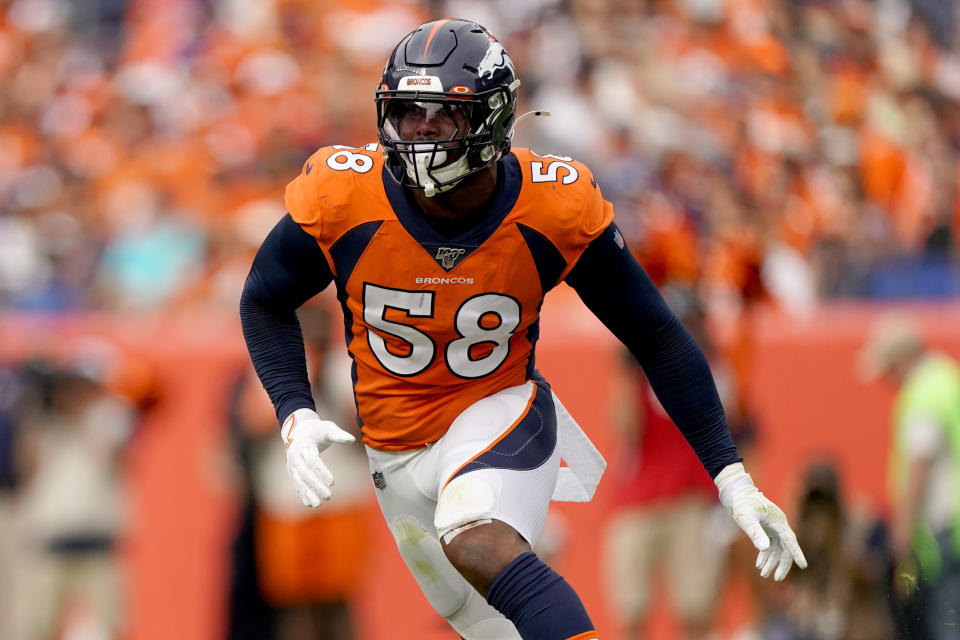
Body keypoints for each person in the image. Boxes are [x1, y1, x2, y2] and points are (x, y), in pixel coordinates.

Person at [239, 18, 806, 640]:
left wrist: (731, 476)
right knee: (488, 627)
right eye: (408, 113)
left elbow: (656, 334)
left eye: (442, 116)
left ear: (490, 120)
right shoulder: (344, 191)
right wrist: (293, 409)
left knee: (477, 540)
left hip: (497, 409)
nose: (419, 132)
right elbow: (264, 299)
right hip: (392, 447)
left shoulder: (552, 205)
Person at [859, 314, 960, 639]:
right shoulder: (946, 378)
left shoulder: (922, 395)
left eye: (890, 370)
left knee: (946, 622)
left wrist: (901, 536)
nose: (889, 381)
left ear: (903, 358)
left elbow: (919, 466)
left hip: (944, 531)